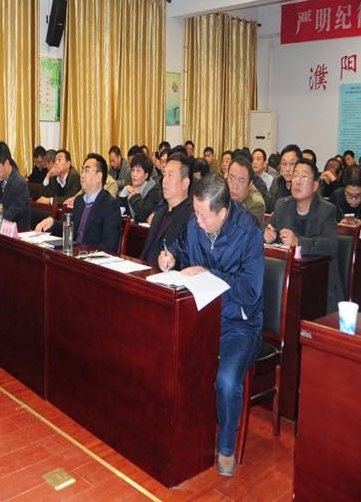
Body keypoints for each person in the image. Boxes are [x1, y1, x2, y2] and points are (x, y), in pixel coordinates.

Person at [158, 174, 264, 477]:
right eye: (196, 213)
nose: (198, 221)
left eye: (205, 216)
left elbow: (250, 292)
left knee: (227, 380)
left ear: (223, 211)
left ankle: (226, 447)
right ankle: (184, 434)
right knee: (167, 356)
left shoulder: (248, 232)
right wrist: (170, 256)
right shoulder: (195, 223)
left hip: (239, 323)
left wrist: (209, 273)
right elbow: (179, 245)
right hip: (201, 315)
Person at [264, 158, 343, 313]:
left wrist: (299, 242)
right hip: (288, 283)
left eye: (304, 177)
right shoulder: (282, 205)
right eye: (295, 176)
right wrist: (266, 235)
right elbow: (266, 228)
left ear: (315, 185)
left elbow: (331, 245)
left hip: (320, 286)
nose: (298, 181)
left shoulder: (327, 210)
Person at [35, 153, 122, 253]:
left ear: (99, 176)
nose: (82, 175)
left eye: (87, 170)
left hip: (89, 258)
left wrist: (85, 254)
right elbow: (72, 228)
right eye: (82, 170)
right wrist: (53, 223)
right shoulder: (79, 201)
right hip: (74, 254)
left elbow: (109, 246)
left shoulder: (110, 205)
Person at [140, 153, 193, 268]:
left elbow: (187, 257)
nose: (164, 180)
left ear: (185, 183)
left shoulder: (192, 217)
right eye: (164, 174)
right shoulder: (159, 213)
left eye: (170, 176)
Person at [119, 152, 160, 223]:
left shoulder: (154, 191)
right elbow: (118, 213)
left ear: (146, 175)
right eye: (133, 170)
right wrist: (123, 194)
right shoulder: (129, 187)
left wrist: (134, 197)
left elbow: (142, 215)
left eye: (138, 171)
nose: (134, 174)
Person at [227, 156, 266, 228]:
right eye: (231, 178)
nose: (234, 186)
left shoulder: (256, 204)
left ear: (250, 184)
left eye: (240, 181)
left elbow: (243, 230)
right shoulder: (221, 190)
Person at [266, 144, 302, 212]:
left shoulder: (305, 186)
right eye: (284, 164)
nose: (287, 169)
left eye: (292, 164)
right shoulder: (277, 182)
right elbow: (267, 208)